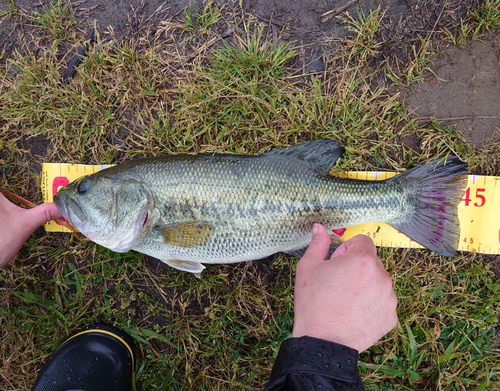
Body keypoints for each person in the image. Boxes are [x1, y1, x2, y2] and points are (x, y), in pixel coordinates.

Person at [0, 193, 398, 391]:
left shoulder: (154, 224)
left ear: (138, 204)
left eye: (86, 192)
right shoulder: (149, 224)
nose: (72, 197)